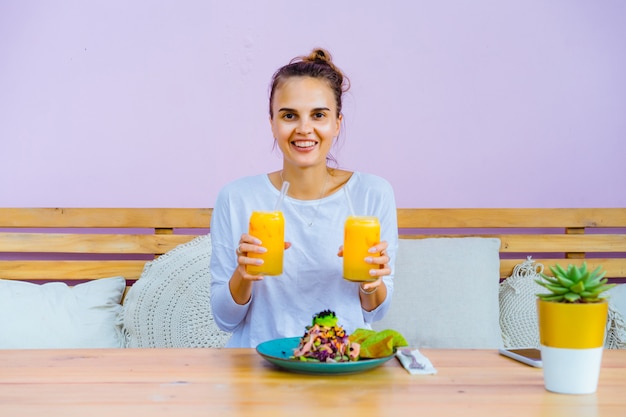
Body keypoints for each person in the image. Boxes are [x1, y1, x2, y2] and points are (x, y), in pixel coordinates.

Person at [209, 48, 398, 348]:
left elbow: (375, 312)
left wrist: (370, 282)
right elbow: (225, 319)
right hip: (258, 369)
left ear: (337, 122)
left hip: (339, 367)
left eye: (319, 115)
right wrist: (243, 274)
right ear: (272, 122)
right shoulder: (237, 198)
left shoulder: (372, 194)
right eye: (289, 115)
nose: (304, 128)